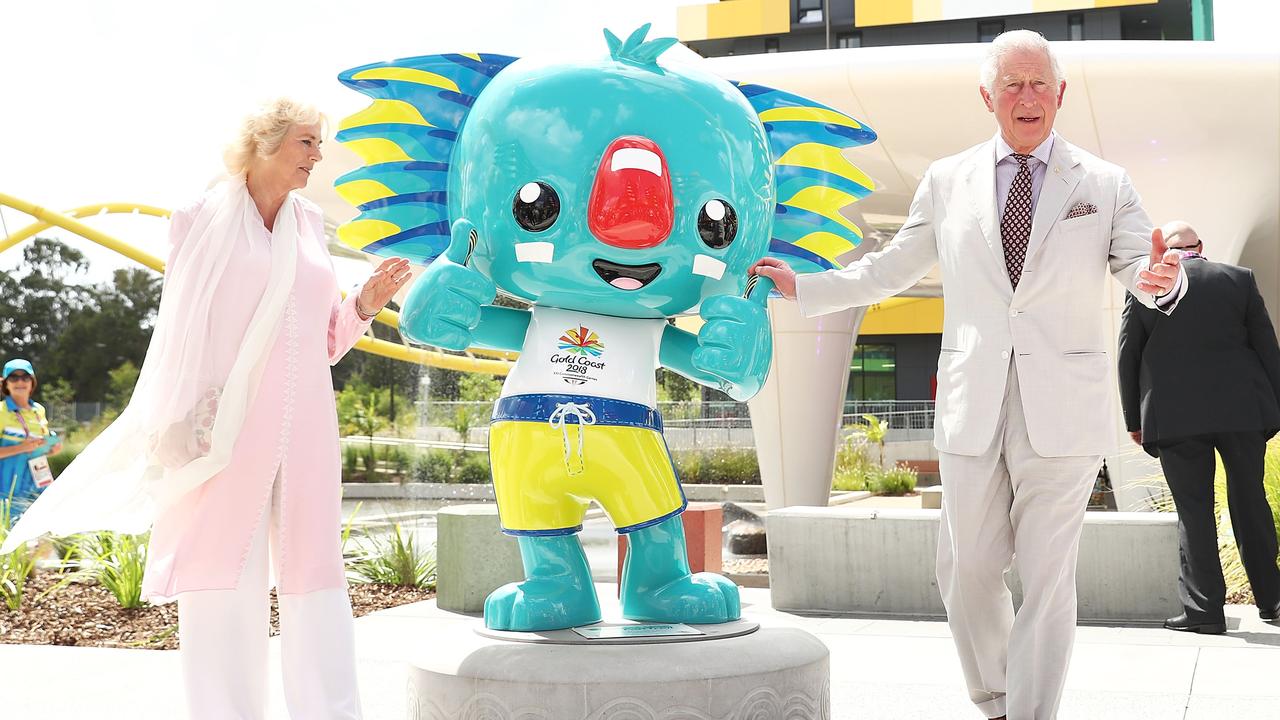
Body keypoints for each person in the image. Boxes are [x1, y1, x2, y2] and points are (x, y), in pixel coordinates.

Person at [752, 29, 1184, 720]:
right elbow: (891, 268)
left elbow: (1142, 267)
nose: (1028, 96)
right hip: (971, 402)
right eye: (1012, 84)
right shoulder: (946, 180)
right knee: (965, 570)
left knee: (1048, 579)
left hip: (1064, 408)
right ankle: (999, 697)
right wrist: (804, 288)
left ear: (1061, 93)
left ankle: (1029, 713)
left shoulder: (1103, 184)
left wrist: (1161, 281)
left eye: (1040, 82)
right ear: (988, 96)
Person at [2, 99, 411, 719]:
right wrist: (176, 421)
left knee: (315, 573)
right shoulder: (199, 217)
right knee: (222, 570)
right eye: (307, 142)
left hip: (306, 427)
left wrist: (365, 301)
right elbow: (180, 330)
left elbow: (325, 339)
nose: (317, 156)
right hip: (223, 425)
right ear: (269, 142)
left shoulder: (307, 224)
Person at [1118, 221, 1280, 634]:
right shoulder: (1238, 279)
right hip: (1241, 412)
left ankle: (1204, 612)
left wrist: (1134, 420)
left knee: (1194, 511)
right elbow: (1266, 346)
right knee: (1250, 502)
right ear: (1200, 247)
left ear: (1164, 250)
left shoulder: (1145, 286)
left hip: (1174, 415)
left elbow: (1128, 355)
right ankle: (1273, 601)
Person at [0, 359, 62, 517]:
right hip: (9, 484)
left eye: (25, 377)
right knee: (11, 531)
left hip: (39, 477)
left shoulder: (38, 410)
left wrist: (51, 449)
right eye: (14, 377)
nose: (20, 382)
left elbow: (38, 446)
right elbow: (24, 448)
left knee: (43, 527)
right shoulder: (1, 411)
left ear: (32, 382)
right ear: (6, 383)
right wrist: (21, 448)